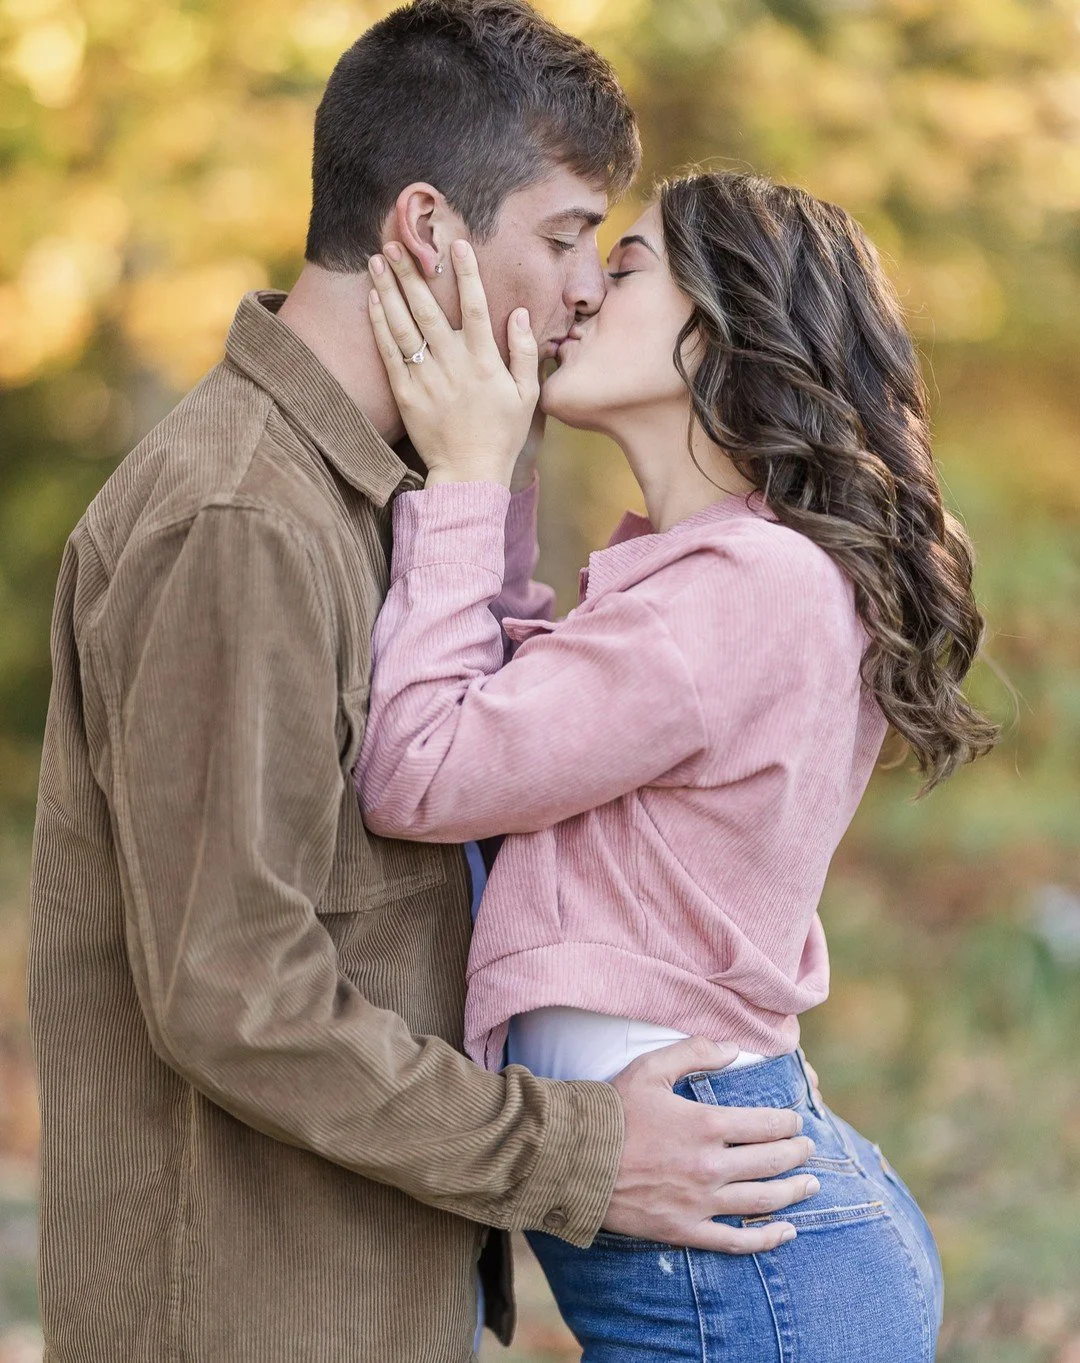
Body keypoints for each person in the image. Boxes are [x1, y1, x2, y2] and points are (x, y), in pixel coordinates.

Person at [25, 6, 820, 1362]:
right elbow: (237, 987)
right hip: (252, 1316)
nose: (585, 288)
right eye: (568, 236)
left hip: (378, 1296)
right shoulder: (242, 518)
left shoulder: (372, 503)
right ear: (425, 231)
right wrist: (575, 1150)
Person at [356, 168, 1000, 1360]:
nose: (590, 288)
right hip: (755, 1237)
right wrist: (498, 461)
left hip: (747, 1275)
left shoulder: (742, 592)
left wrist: (464, 478)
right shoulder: (722, 575)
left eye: (632, 261)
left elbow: (424, 766)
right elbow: (503, 714)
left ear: (727, 327)